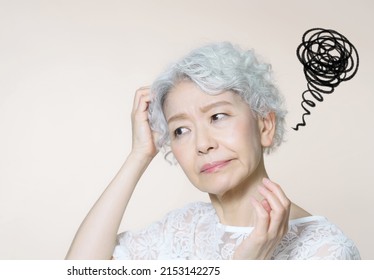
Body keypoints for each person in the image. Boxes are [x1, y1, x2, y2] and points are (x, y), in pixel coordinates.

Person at [66, 42, 360, 260]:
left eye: (217, 117)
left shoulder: (327, 251)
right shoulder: (183, 227)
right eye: (180, 130)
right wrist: (139, 154)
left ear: (265, 126)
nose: (202, 143)